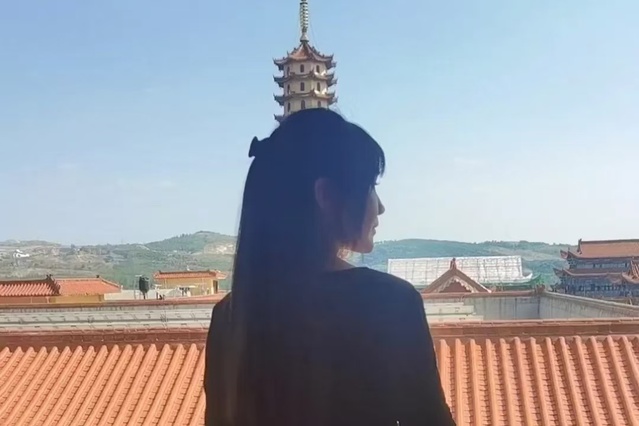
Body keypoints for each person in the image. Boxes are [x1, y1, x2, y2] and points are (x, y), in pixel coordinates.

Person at [205, 109, 455, 426]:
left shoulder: (230, 315)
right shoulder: (389, 302)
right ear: (326, 195)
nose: (380, 206)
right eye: (370, 186)